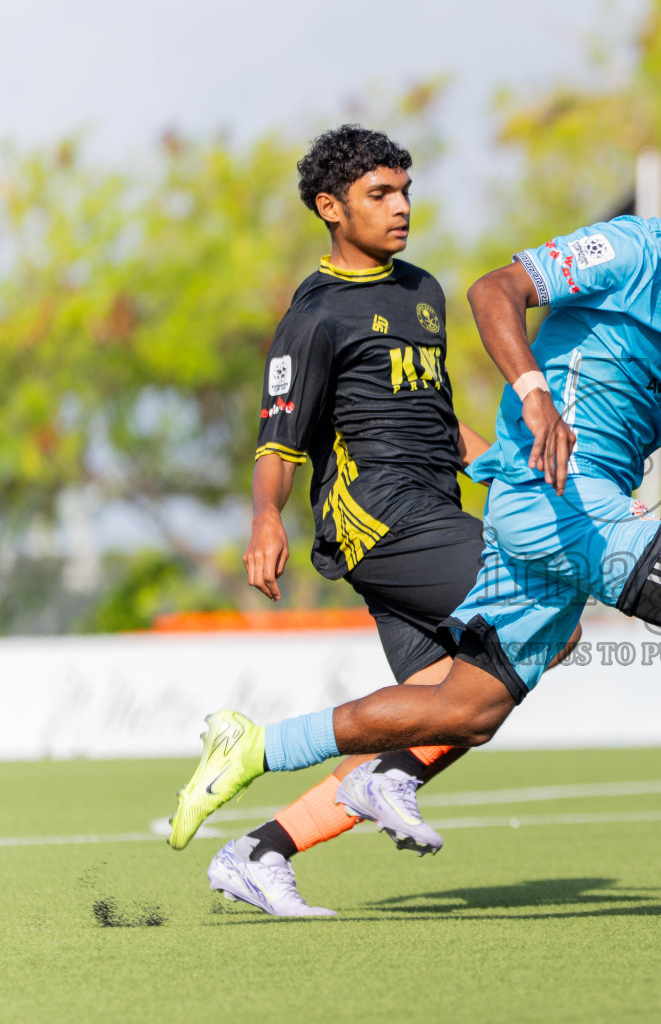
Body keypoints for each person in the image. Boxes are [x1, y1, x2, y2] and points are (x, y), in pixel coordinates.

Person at [169, 98, 661, 910]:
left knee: (464, 709)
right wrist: (533, 391)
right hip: (557, 500)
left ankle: (259, 746)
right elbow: (495, 291)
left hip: (569, 507)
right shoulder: (628, 248)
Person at [183, 125, 579, 917]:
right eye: (379, 195)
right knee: (550, 608)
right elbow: (278, 430)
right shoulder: (316, 312)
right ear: (331, 208)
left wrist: (506, 466)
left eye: (405, 191)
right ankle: (295, 755)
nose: (401, 208)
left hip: (433, 506)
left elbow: (437, 417)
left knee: (461, 708)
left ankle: (260, 851)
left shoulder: (423, 292)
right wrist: (265, 515)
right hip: (377, 517)